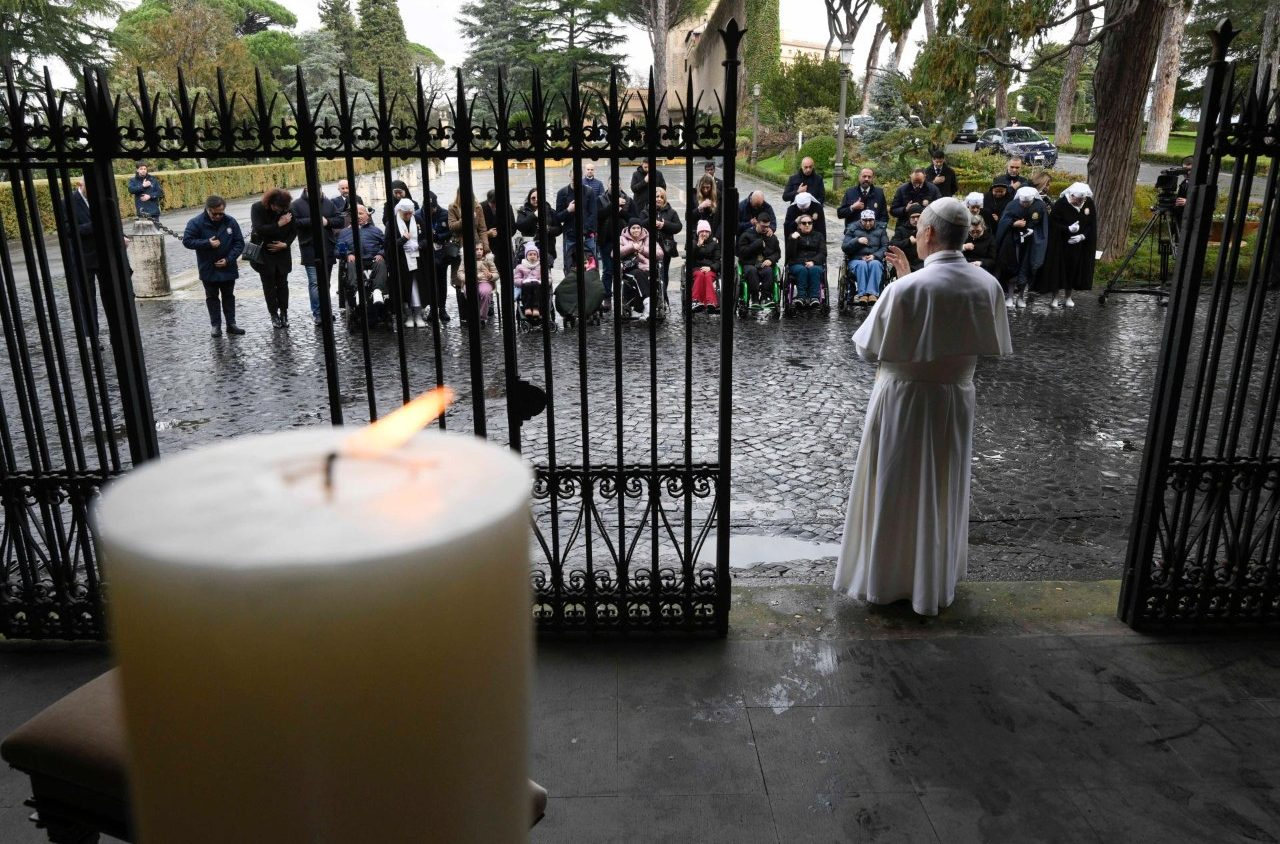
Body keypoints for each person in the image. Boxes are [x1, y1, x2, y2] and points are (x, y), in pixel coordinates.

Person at [833, 196, 1012, 616]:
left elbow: (867, 350)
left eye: (917, 230)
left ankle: (888, 580)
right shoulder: (988, 284)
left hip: (904, 401)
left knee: (897, 487)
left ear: (927, 233)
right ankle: (933, 579)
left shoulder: (906, 288)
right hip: (955, 400)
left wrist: (900, 286)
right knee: (941, 485)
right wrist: (905, 282)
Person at [182, 195, 245, 337]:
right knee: (212, 297)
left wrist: (228, 260)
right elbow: (187, 241)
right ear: (208, 209)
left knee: (229, 296)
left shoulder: (230, 221)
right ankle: (215, 325)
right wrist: (207, 243)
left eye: (220, 213)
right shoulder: (196, 222)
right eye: (214, 213)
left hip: (228, 267)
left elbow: (239, 243)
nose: (217, 216)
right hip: (208, 267)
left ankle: (231, 323)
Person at [1038, 182, 1097, 308]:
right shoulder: (1061, 204)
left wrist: (1082, 236)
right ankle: (1055, 297)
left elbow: (1091, 223)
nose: (1079, 202)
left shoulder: (1088, 203)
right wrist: (1068, 229)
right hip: (1060, 244)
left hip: (1078, 245)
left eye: (1082, 200)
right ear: (1071, 195)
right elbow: (1053, 224)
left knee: (1073, 270)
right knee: (1058, 270)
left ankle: (1068, 296)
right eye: (1077, 200)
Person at [291, 186, 343, 325]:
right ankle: (318, 314)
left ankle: (326, 311)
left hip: (327, 247)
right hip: (309, 248)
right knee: (315, 283)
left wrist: (328, 222)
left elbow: (340, 220)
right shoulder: (296, 205)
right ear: (306, 189)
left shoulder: (328, 202)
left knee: (325, 283)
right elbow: (293, 223)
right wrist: (313, 220)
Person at [248, 187, 298, 328]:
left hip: (282, 252)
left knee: (283, 284)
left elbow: (294, 230)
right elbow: (259, 229)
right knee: (268, 286)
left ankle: (284, 313)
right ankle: (273, 315)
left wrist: (286, 244)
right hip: (264, 253)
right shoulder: (257, 208)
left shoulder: (287, 208)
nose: (280, 211)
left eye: (283, 209)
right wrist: (278, 224)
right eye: (277, 208)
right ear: (270, 203)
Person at [994, 186, 1048, 308]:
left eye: (1027, 202)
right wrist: (1013, 224)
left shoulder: (1040, 206)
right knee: (1013, 267)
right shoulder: (1012, 205)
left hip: (1031, 242)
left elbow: (1043, 225)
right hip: (1014, 242)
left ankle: (1021, 296)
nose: (1024, 204)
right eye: (1022, 202)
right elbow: (1003, 221)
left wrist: (1033, 231)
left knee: (1027, 268)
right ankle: (1010, 296)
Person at [336, 204, 389, 318]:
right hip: (355, 262)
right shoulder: (344, 232)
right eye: (355, 214)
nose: (358, 216)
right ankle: (358, 293)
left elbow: (387, 245)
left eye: (361, 213)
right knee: (350, 263)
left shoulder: (376, 230)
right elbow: (337, 250)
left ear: (367, 215)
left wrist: (381, 253)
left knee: (381, 262)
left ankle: (378, 291)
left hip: (373, 260)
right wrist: (347, 254)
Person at [65, 178, 102, 340]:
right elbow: (67, 229)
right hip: (82, 258)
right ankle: (93, 336)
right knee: (87, 299)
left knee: (112, 296)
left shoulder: (100, 198)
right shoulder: (68, 202)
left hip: (103, 256)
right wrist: (93, 226)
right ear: (80, 185)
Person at [449, 188, 490, 320]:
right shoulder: (453, 207)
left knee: (479, 276)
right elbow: (452, 226)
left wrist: (485, 247)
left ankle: (479, 312)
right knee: (459, 279)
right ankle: (464, 315)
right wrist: (464, 218)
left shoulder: (478, 207)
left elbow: (482, 229)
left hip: (475, 245)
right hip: (459, 248)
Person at [391, 197, 427, 327]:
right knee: (405, 289)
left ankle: (418, 314)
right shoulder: (393, 224)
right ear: (400, 211)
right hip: (401, 262)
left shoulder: (418, 220)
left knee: (417, 288)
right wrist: (403, 240)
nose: (408, 215)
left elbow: (427, 238)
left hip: (418, 260)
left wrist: (419, 246)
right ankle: (409, 315)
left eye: (410, 213)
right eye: (405, 213)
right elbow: (388, 245)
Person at [597, 186, 634, 312]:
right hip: (606, 240)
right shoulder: (600, 199)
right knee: (608, 270)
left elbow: (633, 219)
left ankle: (625, 299)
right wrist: (613, 206)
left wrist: (620, 212)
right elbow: (599, 216)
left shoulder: (628, 200)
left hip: (624, 241)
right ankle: (607, 297)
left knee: (625, 269)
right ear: (608, 186)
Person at [419, 191, 452, 324]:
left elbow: (451, 232)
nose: (432, 211)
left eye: (433, 209)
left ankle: (442, 308)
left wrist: (438, 236)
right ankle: (432, 309)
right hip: (427, 253)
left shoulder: (444, 213)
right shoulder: (419, 215)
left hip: (441, 252)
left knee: (441, 281)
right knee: (430, 282)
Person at [619, 220, 662, 320]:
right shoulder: (622, 239)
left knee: (646, 276)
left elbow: (660, 254)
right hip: (630, 269)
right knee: (639, 274)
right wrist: (631, 247)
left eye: (638, 228)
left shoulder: (648, 239)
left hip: (647, 268)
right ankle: (648, 304)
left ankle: (638, 310)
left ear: (642, 229)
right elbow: (614, 253)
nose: (636, 230)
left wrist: (642, 249)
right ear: (629, 229)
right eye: (633, 228)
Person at [843, 209, 888, 304]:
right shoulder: (852, 228)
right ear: (861, 220)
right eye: (865, 220)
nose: (868, 223)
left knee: (875, 264)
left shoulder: (881, 229)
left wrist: (875, 256)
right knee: (862, 264)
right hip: (856, 259)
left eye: (870, 220)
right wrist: (857, 241)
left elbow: (885, 246)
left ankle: (872, 294)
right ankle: (862, 294)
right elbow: (845, 247)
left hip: (874, 258)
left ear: (874, 220)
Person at [556, 174, 600, 270]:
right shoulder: (562, 193)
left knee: (591, 266)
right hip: (570, 236)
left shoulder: (589, 192)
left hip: (587, 236)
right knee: (570, 266)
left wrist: (584, 231)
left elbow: (593, 214)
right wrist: (568, 210)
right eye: (573, 177)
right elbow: (558, 217)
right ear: (569, 176)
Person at [736, 212, 780, 305]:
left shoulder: (771, 237)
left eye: (767, 226)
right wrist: (757, 244)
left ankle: (765, 297)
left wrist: (771, 260)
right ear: (757, 223)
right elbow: (742, 253)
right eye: (763, 226)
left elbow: (777, 253)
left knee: (769, 271)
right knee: (752, 271)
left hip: (764, 264)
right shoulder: (746, 235)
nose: (766, 229)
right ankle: (755, 298)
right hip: (750, 263)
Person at [515, 187, 558, 271]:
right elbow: (520, 226)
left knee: (546, 275)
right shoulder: (523, 211)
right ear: (529, 199)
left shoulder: (550, 211)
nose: (536, 200)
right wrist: (534, 215)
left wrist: (548, 229)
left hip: (547, 248)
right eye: (533, 198)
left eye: (538, 197)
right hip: (529, 250)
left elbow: (559, 229)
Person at [648, 186, 682, 294]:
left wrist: (664, 224)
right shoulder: (646, 210)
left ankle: (663, 295)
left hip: (665, 247)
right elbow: (640, 224)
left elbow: (678, 226)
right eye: (657, 196)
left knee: (664, 272)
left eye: (661, 197)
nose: (659, 199)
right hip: (650, 247)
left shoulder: (671, 212)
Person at [787, 212, 825, 307]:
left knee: (815, 269)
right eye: (804, 223)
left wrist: (813, 262)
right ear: (799, 225)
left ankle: (814, 297)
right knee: (802, 270)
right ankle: (801, 297)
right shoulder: (794, 235)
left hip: (814, 263)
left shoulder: (819, 236)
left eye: (809, 223)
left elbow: (823, 253)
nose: (807, 225)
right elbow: (790, 254)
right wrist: (793, 240)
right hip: (797, 263)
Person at [455, 244, 498, 326]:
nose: (479, 251)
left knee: (485, 292)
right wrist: (470, 278)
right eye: (476, 249)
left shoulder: (488, 260)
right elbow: (460, 273)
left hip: (485, 281)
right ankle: (473, 315)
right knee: (470, 292)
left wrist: (491, 275)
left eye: (481, 249)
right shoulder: (466, 259)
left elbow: (496, 274)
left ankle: (481, 317)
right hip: (470, 282)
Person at [689, 219, 720, 312]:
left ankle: (711, 301)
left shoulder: (714, 244)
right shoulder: (693, 242)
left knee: (707, 276)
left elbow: (718, 261)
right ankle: (695, 300)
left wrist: (710, 267)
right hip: (696, 268)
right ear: (698, 232)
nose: (704, 233)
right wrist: (698, 245)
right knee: (699, 275)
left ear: (709, 233)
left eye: (706, 231)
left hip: (710, 269)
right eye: (702, 231)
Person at [890, 204, 925, 272]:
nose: (915, 220)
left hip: (922, 264)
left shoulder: (926, 229)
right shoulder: (901, 229)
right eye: (913, 217)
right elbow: (891, 245)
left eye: (918, 216)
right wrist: (908, 242)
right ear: (909, 217)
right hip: (905, 262)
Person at [513, 241, 543, 321]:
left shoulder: (541, 266)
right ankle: (527, 308)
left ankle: (536, 308)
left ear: (537, 256)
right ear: (526, 256)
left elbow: (548, 278)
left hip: (538, 287)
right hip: (525, 286)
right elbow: (516, 279)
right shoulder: (520, 267)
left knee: (535, 284)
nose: (532, 256)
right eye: (530, 254)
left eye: (534, 254)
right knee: (528, 285)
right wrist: (523, 281)